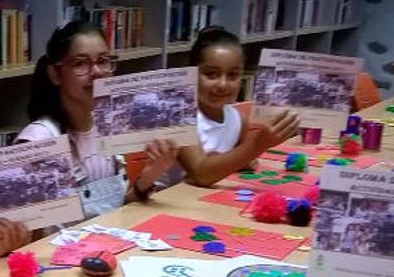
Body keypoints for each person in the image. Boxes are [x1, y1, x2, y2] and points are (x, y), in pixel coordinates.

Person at [17, 21, 179, 221]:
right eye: (80, 63)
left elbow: (115, 211)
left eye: (103, 61)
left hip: (110, 245)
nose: (97, 72)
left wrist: (148, 177)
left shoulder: (108, 124)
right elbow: (28, 235)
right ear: (55, 74)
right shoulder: (39, 140)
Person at [159, 26, 299, 188]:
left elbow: (237, 160)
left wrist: (244, 160)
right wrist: (257, 144)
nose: (223, 84)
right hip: (165, 204)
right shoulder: (178, 117)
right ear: (192, 74)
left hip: (201, 201)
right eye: (211, 74)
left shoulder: (238, 119)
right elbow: (200, 174)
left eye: (232, 75)